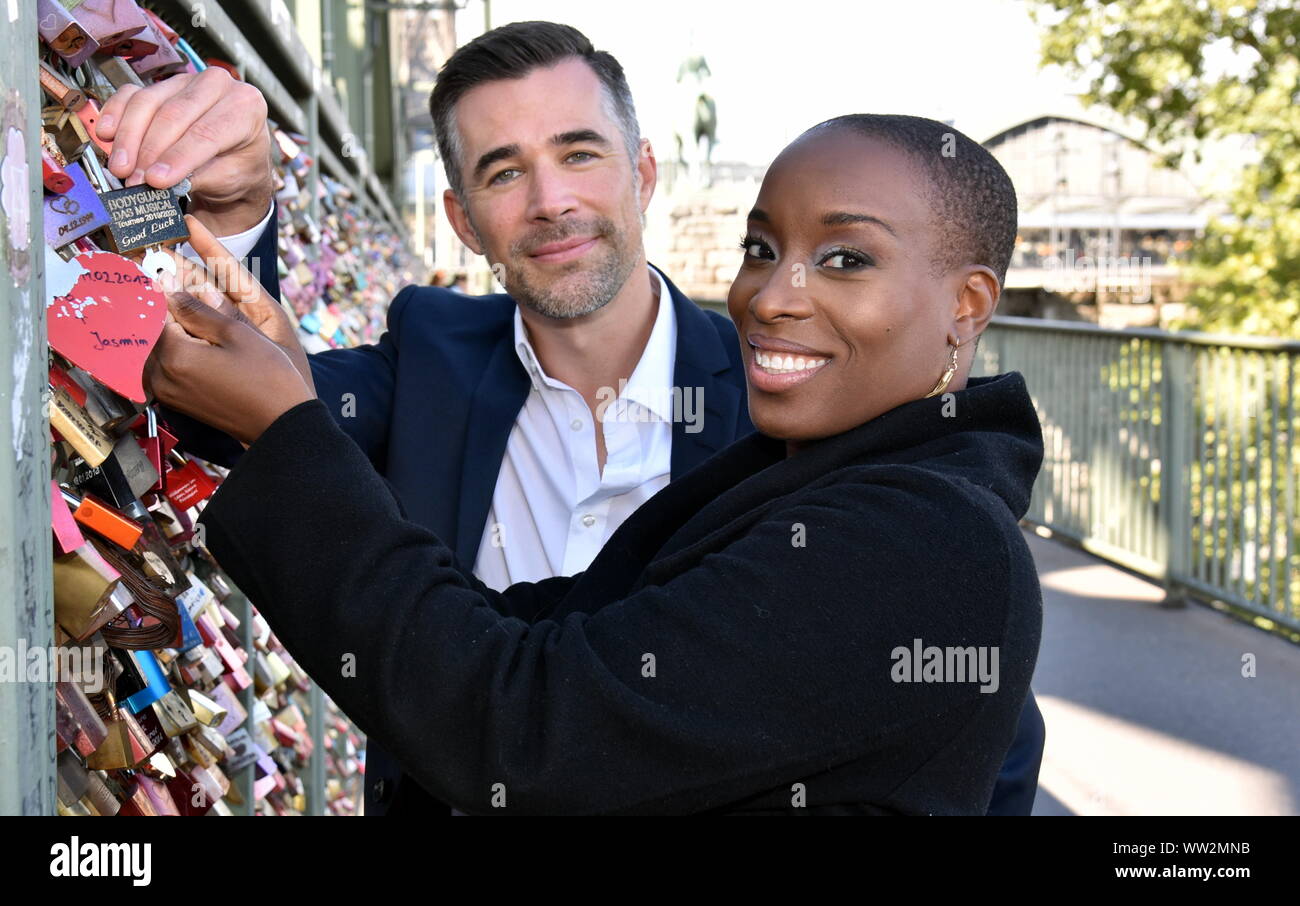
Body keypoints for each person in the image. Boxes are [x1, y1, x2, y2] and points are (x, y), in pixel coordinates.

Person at [127, 21, 1043, 814]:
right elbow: (235, 405)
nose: (550, 200)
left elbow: (988, 756)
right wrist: (236, 212)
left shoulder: (808, 427)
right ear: (463, 220)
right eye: (502, 171)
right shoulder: (428, 355)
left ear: (642, 173)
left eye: (578, 153)